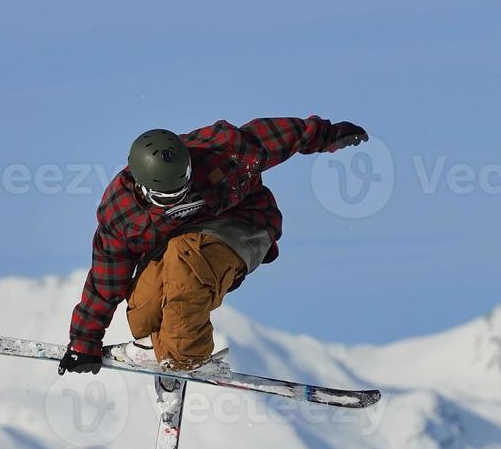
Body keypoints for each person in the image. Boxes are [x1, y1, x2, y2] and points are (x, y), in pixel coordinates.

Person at [58, 117, 369, 374]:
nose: (178, 199)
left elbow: (274, 136)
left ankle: (185, 356)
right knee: (144, 309)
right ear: (143, 187)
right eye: (167, 198)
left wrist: (328, 135)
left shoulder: (223, 152)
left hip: (244, 224)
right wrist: (85, 342)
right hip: (178, 244)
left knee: (186, 255)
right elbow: (105, 281)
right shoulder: (122, 213)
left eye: (184, 187)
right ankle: (161, 349)